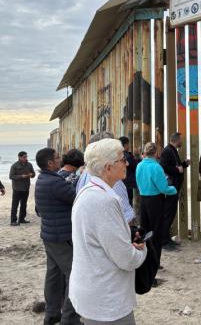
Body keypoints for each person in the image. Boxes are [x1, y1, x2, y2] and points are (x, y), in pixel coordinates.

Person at [70, 139, 146, 325]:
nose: (127, 163)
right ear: (108, 168)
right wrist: (141, 250)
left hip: (92, 291)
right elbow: (126, 259)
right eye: (122, 159)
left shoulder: (87, 191)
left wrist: (125, 237)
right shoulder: (104, 201)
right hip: (106, 301)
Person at [34, 147, 80, 325]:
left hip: (50, 234)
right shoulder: (55, 182)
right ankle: (69, 319)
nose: (61, 159)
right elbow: (76, 198)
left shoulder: (43, 179)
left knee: (53, 276)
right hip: (61, 236)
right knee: (74, 275)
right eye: (57, 157)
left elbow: (39, 209)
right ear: (50, 163)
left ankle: (52, 314)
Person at [77, 132, 135, 224]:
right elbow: (124, 218)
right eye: (122, 160)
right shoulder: (111, 182)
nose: (127, 163)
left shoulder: (85, 174)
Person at [136, 142, 177, 268]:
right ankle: (155, 262)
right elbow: (163, 188)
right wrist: (173, 189)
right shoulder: (156, 167)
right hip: (155, 201)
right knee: (156, 232)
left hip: (143, 199)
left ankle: (145, 260)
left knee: (145, 231)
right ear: (156, 153)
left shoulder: (140, 165)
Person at [159, 132, 190, 249]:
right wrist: (177, 170)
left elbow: (175, 167)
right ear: (176, 140)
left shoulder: (172, 149)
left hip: (173, 187)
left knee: (170, 214)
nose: (182, 142)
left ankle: (166, 239)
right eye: (181, 140)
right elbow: (163, 167)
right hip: (170, 187)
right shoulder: (167, 150)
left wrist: (184, 165)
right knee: (168, 214)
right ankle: (164, 241)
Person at [9, 151, 36, 226]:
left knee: (24, 204)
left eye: (26, 157)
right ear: (19, 157)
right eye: (24, 157)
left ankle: (22, 219)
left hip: (26, 187)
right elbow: (11, 176)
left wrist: (32, 175)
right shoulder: (14, 165)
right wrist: (21, 176)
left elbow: (34, 174)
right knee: (15, 205)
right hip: (17, 188)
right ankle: (13, 220)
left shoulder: (29, 165)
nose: (25, 158)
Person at [120, 136, 139, 206]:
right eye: (128, 144)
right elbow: (135, 166)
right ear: (125, 145)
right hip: (128, 183)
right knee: (128, 202)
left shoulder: (119, 155)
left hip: (121, 182)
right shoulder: (127, 156)